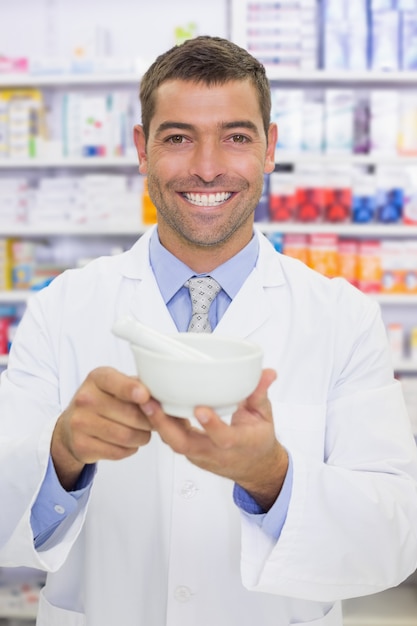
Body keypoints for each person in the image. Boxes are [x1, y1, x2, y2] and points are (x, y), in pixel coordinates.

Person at [0, 36, 417, 626]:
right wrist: (62, 453)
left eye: (236, 137)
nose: (206, 167)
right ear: (142, 149)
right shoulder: (63, 307)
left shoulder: (343, 317)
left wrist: (271, 476)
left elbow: (396, 534)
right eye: (177, 137)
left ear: (269, 148)